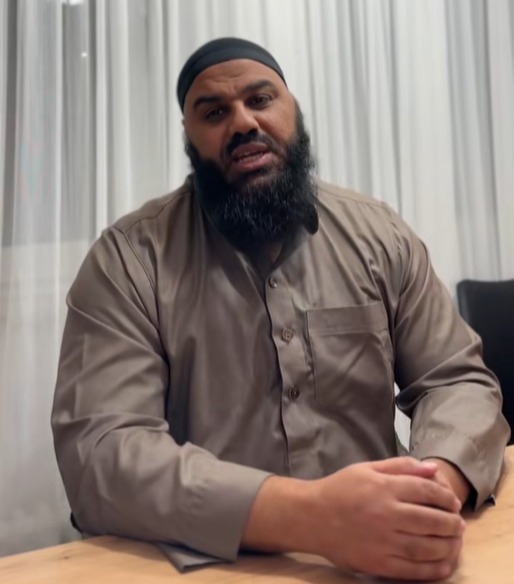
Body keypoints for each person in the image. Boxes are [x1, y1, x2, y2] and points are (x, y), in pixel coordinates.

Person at [51, 37, 510, 581]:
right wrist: (311, 518)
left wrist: (432, 486)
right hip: (222, 567)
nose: (243, 122)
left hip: (392, 559)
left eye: (261, 99)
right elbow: (103, 455)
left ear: (293, 109)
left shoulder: (379, 235)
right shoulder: (128, 261)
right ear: (188, 138)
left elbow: (456, 380)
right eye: (215, 112)